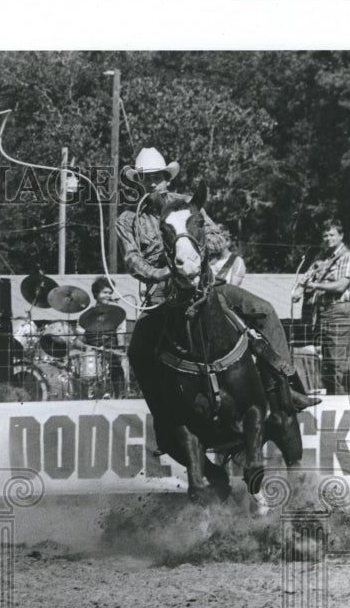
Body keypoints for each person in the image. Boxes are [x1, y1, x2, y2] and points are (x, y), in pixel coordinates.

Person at [117, 147, 317, 456]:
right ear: (138, 182)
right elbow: (132, 260)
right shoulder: (128, 220)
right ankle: (166, 422)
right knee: (138, 351)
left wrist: (186, 246)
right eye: (145, 179)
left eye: (156, 177)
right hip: (163, 293)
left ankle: (288, 386)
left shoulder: (188, 206)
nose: (152, 183)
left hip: (207, 284)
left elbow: (218, 239)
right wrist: (163, 271)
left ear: (166, 179)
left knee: (264, 310)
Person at [292, 219, 350, 394]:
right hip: (322, 313)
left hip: (339, 311)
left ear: (341, 236)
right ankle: (332, 405)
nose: (328, 238)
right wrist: (299, 289)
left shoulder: (348, 256)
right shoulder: (322, 260)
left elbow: (340, 286)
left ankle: (342, 404)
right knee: (327, 365)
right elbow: (304, 279)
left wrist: (313, 286)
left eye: (332, 234)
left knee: (338, 363)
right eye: (325, 235)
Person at [74, 277, 126, 398]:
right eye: (105, 292)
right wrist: (86, 347)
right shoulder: (85, 316)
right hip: (91, 355)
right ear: (96, 294)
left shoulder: (118, 314)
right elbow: (78, 340)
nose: (108, 295)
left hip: (112, 354)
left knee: (118, 371)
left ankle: (119, 396)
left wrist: (121, 354)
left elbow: (121, 339)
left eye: (110, 293)